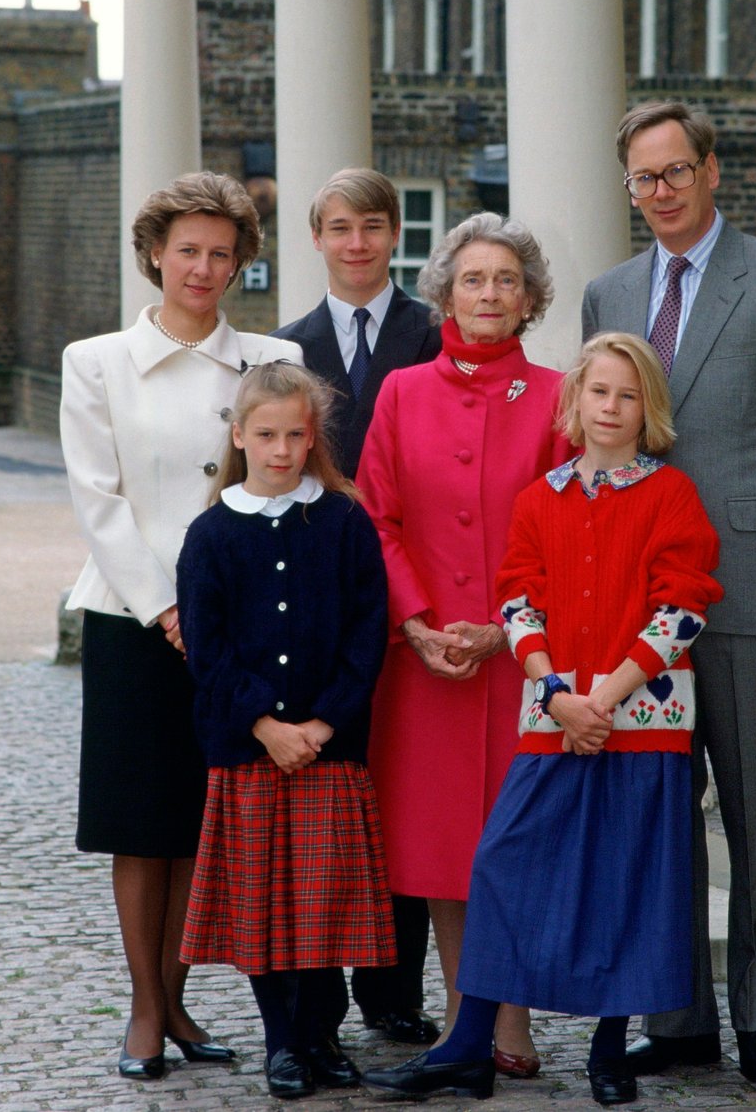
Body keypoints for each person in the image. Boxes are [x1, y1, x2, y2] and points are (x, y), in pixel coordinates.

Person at [582, 100, 756, 1086]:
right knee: (659, 807)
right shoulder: (607, 291)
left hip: (748, 589)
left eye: (673, 171)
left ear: (711, 171)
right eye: (641, 178)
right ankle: (677, 1018)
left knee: (755, 806)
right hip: (632, 606)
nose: (658, 192)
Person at [363, 332, 722, 1107]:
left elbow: (682, 607)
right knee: (500, 866)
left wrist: (608, 697)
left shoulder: (670, 496)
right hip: (552, 717)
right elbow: (519, 602)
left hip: (642, 723)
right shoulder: (540, 497)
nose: (612, 408)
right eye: (599, 392)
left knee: (625, 879)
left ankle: (607, 1045)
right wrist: (558, 694)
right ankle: (467, 1043)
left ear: (648, 410)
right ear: (576, 402)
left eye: (628, 396)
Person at [60, 171, 302, 1080]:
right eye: (187, 249)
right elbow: (97, 497)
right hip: (135, 619)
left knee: (208, 822)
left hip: (240, 627)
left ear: (241, 262)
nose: (203, 266)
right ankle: (145, 1010)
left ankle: (183, 998)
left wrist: (215, 616)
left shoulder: (271, 357)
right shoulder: (95, 361)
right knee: (140, 822)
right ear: (155, 253)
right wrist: (168, 607)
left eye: (221, 252)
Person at [357, 211, 569, 1079]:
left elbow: (569, 525)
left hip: (521, 657)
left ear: (529, 301)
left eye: (506, 281)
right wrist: (413, 622)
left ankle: (509, 1019)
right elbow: (378, 515)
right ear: (445, 290)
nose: (489, 294)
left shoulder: (559, 393)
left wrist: (507, 630)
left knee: (512, 843)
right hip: (429, 660)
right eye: (473, 279)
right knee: (446, 848)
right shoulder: (402, 391)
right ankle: (459, 1021)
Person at [176, 361, 395, 1100]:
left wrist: (323, 721)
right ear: (238, 435)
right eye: (265, 434)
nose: (280, 448)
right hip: (248, 750)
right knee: (268, 909)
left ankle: (322, 1034)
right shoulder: (209, 534)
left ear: (313, 437)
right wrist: (266, 724)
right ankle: (282, 1041)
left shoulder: (341, 519)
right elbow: (207, 650)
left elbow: (368, 631)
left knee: (325, 903)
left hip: (330, 748)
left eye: (295, 434)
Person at [272, 168, 441, 1046]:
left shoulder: (435, 333)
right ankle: (318, 998)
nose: (357, 242)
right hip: (320, 591)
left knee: (399, 794)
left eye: (373, 225)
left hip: (416, 590)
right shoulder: (287, 347)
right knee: (328, 798)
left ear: (394, 232)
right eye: (339, 226)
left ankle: (394, 988)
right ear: (318, 238)